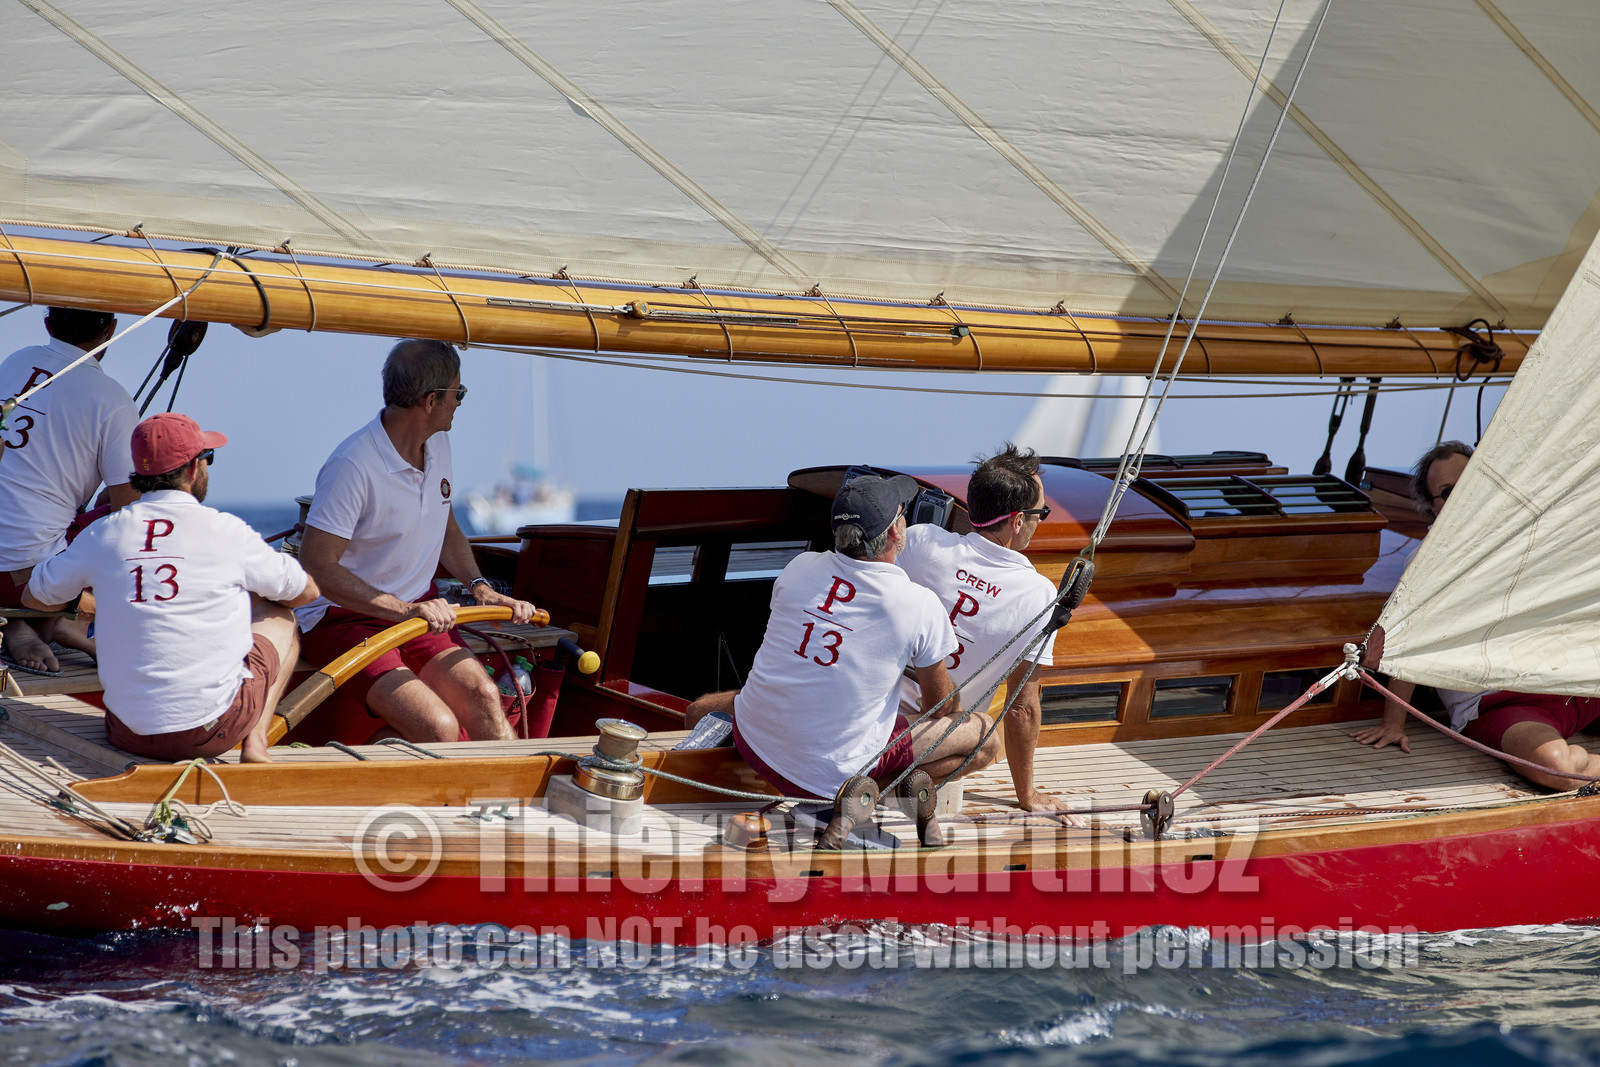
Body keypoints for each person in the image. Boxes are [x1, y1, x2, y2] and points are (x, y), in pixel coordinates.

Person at [685, 473, 1000, 802]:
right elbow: (940, 707)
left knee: (701, 708)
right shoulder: (919, 604)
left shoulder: (799, 566)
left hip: (753, 743)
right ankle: (863, 794)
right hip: (828, 778)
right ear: (895, 530)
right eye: (902, 511)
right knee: (985, 735)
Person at [22, 413, 318, 763]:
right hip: (209, 734)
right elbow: (307, 593)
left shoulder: (104, 533)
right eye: (207, 459)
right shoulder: (225, 531)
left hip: (126, 733)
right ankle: (256, 746)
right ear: (193, 470)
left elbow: (34, 597)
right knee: (281, 617)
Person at [296, 338, 538, 743]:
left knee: (484, 697)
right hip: (344, 619)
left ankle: (506, 805)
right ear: (431, 400)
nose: (460, 402)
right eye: (457, 393)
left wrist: (479, 588)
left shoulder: (438, 443)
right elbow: (317, 565)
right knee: (438, 728)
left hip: (418, 612)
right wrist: (405, 609)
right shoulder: (352, 466)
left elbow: (446, 527)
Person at [1353, 440, 1600, 789]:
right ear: (1433, 507)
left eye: (1473, 482)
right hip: (1502, 704)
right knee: (1555, 767)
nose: (1465, 495)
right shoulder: (1428, 565)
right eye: (1449, 491)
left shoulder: (1532, 540)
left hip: (1575, 681)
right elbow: (1408, 640)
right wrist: (1394, 724)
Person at [896, 445, 1066, 812]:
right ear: (1018, 520)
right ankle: (884, 786)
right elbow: (1023, 708)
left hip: (865, 713)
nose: (1040, 522)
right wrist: (1028, 796)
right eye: (1041, 514)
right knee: (988, 741)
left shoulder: (922, 539)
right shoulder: (1037, 594)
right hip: (927, 736)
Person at [0, 307, 139, 675]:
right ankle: (56, 622)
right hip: (27, 581)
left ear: (48, 324)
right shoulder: (112, 399)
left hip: (13, 576)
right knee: (144, 520)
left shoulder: (16, 361)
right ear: (111, 329)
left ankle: (19, 625)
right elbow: (130, 512)